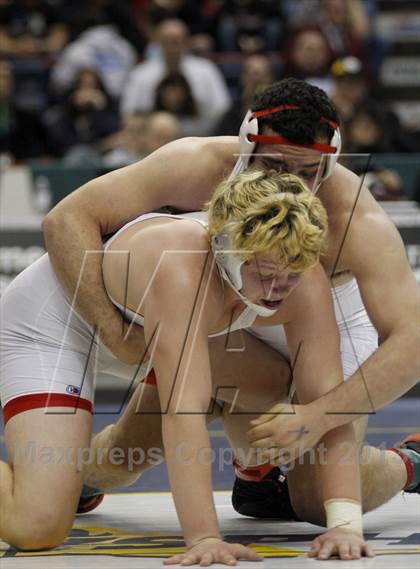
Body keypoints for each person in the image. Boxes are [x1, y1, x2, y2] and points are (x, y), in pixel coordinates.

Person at [42, 78, 420, 525]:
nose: (290, 186)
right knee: (126, 454)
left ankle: (409, 461)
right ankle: (90, 478)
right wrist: (113, 330)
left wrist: (317, 415)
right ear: (246, 150)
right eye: (276, 167)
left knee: (321, 497)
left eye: (308, 173)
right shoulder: (195, 162)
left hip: (322, 326)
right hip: (225, 320)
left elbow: (412, 341)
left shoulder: (355, 217)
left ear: (331, 162)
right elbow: (68, 218)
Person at [0, 170, 373, 564]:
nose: (279, 289)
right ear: (227, 248)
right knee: (38, 525)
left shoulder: (300, 279)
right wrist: (204, 538)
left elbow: (327, 405)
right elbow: (183, 412)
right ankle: (53, 483)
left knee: (273, 383)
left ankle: (251, 471)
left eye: (292, 274)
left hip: (146, 332)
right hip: (58, 326)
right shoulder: (182, 271)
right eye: (265, 274)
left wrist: (345, 525)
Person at [121, 19, 230, 133]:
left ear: (186, 41)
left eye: (176, 41)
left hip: (199, 136)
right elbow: (128, 113)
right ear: (157, 42)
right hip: (154, 140)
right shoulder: (140, 74)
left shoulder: (206, 69)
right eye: (167, 41)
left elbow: (221, 108)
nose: (172, 47)